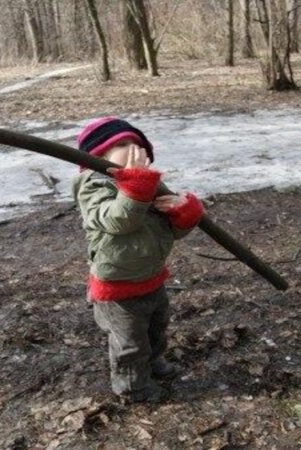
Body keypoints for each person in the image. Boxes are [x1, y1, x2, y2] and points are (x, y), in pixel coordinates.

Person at [71, 117, 204, 403]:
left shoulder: (145, 184)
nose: (132, 149)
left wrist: (185, 213)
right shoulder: (93, 186)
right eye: (121, 144)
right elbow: (118, 221)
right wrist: (137, 185)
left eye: (137, 144)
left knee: (157, 328)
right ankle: (133, 388)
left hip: (152, 277)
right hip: (117, 286)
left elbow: (172, 233)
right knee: (129, 343)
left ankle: (152, 364)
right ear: (99, 154)